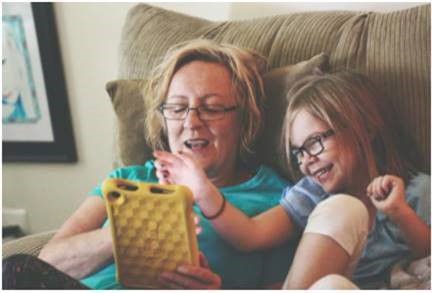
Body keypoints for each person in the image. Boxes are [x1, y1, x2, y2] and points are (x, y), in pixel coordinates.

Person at [3, 39, 298, 289]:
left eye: (211, 108)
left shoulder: (276, 200)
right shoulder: (126, 180)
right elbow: (49, 261)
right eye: (177, 108)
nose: (191, 122)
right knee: (14, 270)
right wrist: (128, 232)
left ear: (244, 119)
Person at [154, 70, 430, 289]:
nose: (306, 160)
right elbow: (251, 235)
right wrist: (203, 189)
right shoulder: (313, 194)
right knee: (340, 231)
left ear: (365, 127)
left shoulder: (418, 190)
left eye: (315, 142)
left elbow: (427, 254)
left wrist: (399, 212)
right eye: (298, 152)